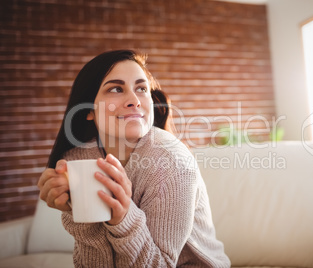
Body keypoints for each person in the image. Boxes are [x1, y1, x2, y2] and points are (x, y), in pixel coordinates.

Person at [37, 49, 230, 267]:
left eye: (141, 88)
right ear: (87, 109)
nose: (134, 100)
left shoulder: (171, 161)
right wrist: (79, 213)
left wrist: (123, 218)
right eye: (116, 89)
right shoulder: (78, 160)